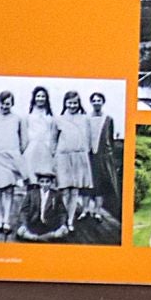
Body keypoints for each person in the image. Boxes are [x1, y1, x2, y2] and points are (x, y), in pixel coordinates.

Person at [19, 86, 61, 236]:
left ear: (46, 98)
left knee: (44, 182)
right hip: (32, 150)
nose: (40, 99)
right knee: (31, 183)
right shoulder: (28, 116)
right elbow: (24, 137)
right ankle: (30, 215)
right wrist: (24, 152)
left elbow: (53, 136)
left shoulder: (51, 117)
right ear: (34, 98)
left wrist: (53, 151)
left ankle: (46, 215)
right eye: (38, 96)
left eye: (43, 96)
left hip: (45, 150)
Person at [54, 91, 96, 232]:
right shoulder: (58, 119)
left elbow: (89, 139)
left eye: (75, 103)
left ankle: (70, 221)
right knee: (64, 190)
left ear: (79, 104)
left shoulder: (85, 119)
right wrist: (54, 157)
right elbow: (53, 140)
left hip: (79, 157)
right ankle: (62, 220)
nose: (72, 105)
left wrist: (85, 154)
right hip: (63, 157)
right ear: (65, 103)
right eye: (69, 103)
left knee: (74, 191)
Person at [0, 90, 24, 235]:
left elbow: (23, 141)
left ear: (12, 104)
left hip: (11, 157)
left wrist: (15, 154)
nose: (5, 106)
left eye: (8, 103)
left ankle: (7, 221)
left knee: (9, 189)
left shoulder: (18, 119)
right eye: (2, 103)